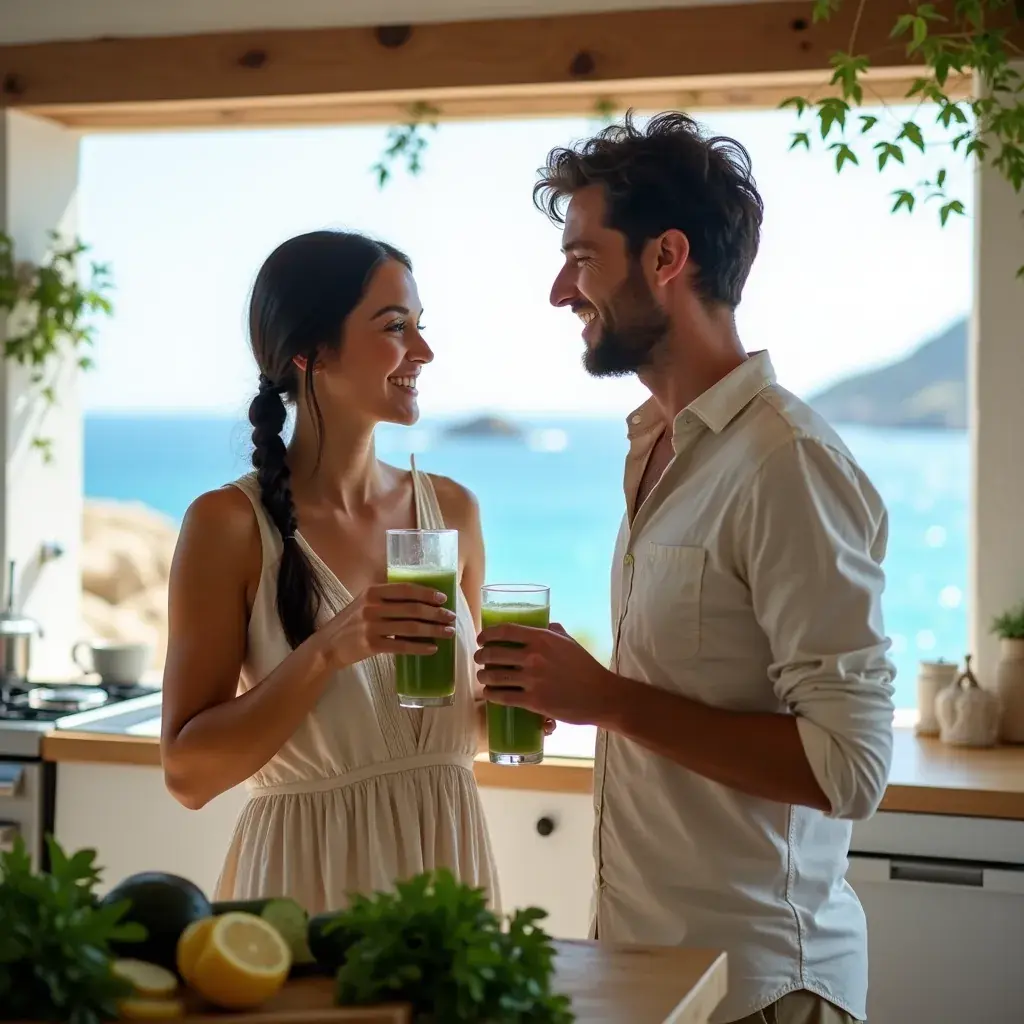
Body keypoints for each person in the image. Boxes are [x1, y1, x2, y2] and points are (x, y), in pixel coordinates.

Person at [477, 112, 895, 1024]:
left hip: (762, 989)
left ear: (666, 258)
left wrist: (611, 700)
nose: (559, 289)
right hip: (654, 976)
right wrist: (576, 684)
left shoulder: (786, 462)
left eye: (581, 257)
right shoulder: (656, 448)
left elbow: (850, 766)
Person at [161, 229, 499, 915]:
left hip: (451, 886)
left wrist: (525, 696)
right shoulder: (229, 526)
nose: (424, 351)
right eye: (395, 327)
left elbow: (451, 731)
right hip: (303, 895)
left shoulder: (452, 512)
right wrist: (327, 652)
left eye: (420, 327)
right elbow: (188, 774)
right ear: (309, 353)